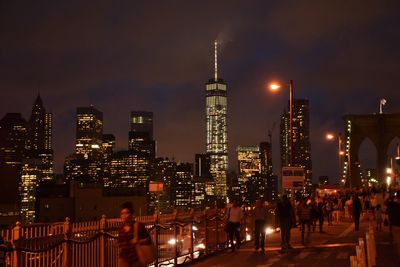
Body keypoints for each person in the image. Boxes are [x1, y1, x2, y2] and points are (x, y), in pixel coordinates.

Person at [118, 201, 147, 267]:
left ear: (131, 214)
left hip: (136, 259)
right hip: (124, 259)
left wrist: (138, 241)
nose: (124, 216)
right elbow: (120, 243)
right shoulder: (121, 228)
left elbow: (148, 239)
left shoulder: (138, 226)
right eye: (122, 214)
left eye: (126, 213)